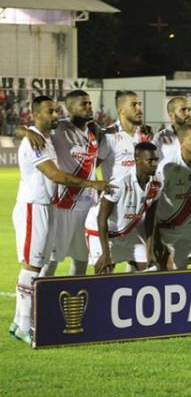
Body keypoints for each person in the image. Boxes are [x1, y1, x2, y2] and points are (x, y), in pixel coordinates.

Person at [10, 96, 111, 344]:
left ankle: (20, 323)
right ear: (36, 114)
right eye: (50, 111)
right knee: (33, 266)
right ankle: (23, 325)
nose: (55, 115)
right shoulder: (36, 140)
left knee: (39, 262)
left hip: (47, 207)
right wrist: (92, 183)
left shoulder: (46, 138)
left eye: (56, 111)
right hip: (35, 206)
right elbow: (56, 175)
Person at [44, 90, 106, 276]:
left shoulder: (95, 131)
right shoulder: (58, 128)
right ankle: (40, 300)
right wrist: (27, 131)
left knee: (82, 260)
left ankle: (74, 300)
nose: (89, 107)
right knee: (52, 259)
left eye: (89, 103)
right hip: (64, 204)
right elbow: (29, 130)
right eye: (83, 104)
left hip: (88, 207)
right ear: (70, 108)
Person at [85, 142, 161, 274]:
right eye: (150, 160)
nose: (155, 164)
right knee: (104, 272)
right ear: (137, 160)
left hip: (126, 231)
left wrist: (150, 251)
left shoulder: (157, 183)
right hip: (100, 231)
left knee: (150, 269)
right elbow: (101, 217)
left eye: (156, 160)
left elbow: (150, 218)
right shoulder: (120, 182)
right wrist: (106, 253)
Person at [154, 124, 191, 270]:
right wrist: (155, 238)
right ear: (181, 142)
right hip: (166, 229)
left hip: (189, 228)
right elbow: (152, 203)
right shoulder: (167, 166)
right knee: (174, 273)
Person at [100, 90, 153, 181]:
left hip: (141, 194)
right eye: (133, 105)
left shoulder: (145, 134)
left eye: (139, 104)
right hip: (115, 194)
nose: (139, 108)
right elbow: (91, 168)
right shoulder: (108, 135)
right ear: (121, 111)